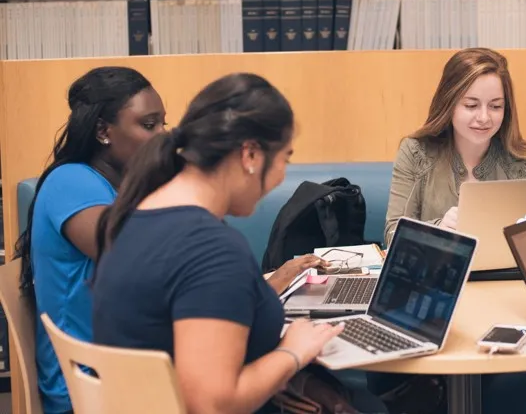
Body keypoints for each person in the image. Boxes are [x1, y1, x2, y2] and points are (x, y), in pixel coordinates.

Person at [91, 73, 376, 414]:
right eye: (285, 157)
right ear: (251, 155)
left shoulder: (133, 218)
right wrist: (294, 353)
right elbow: (212, 404)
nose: (283, 174)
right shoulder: (210, 248)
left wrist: (271, 373)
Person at [12, 66, 166, 414]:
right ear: (103, 131)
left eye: (163, 124)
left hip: (125, 374)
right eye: (148, 125)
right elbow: (134, 257)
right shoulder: (71, 182)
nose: (162, 136)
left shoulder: (120, 186)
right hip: (87, 389)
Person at [384, 47, 526, 245]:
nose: (484, 118)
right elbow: (392, 235)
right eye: (471, 105)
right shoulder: (415, 153)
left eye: (495, 106)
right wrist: (437, 228)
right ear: (448, 105)